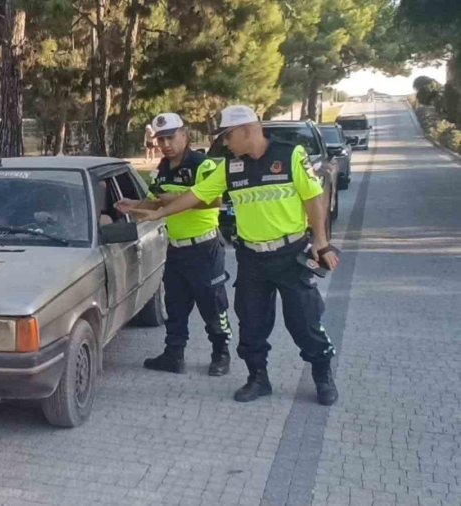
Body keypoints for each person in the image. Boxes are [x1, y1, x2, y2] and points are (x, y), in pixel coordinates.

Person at [121, 105, 340, 406]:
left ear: (247, 130)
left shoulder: (291, 156)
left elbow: (314, 196)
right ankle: (258, 378)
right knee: (250, 323)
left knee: (304, 322)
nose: (225, 143)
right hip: (252, 259)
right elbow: (195, 196)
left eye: (228, 136)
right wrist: (156, 212)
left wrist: (321, 241)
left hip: (290, 255)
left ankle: (323, 376)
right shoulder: (229, 167)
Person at [116, 113, 232, 376]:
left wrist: (175, 198)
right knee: (176, 306)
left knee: (213, 306)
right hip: (175, 248)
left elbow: (215, 201)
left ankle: (221, 355)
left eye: (170, 137)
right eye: (160, 139)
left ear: (185, 135)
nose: (165, 144)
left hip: (204, 248)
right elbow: (155, 200)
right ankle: (173, 355)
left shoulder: (203, 165)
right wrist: (133, 206)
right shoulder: (162, 168)